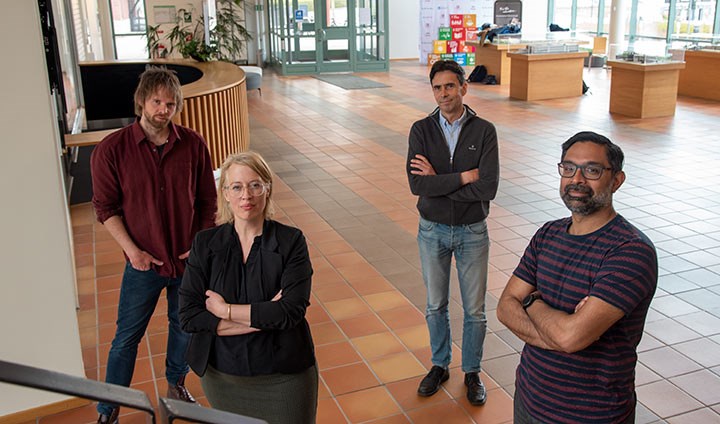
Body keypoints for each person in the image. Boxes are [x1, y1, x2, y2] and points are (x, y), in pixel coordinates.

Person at [496, 131, 658, 423]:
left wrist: (532, 302)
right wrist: (556, 336)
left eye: (592, 170)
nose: (577, 180)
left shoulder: (631, 251)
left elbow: (571, 337)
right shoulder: (548, 233)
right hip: (529, 398)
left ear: (616, 180)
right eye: (568, 168)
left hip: (591, 415)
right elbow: (505, 306)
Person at [91, 66, 217, 423]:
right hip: (143, 263)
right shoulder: (111, 150)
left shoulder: (193, 144)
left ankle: (176, 384)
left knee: (184, 326)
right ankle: (108, 408)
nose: (164, 109)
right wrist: (133, 252)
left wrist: (201, 243)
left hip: (187, 262)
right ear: (141, 102)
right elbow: (105, 209)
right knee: (126, 338)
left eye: (171, 103)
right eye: (157, 101)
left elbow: (208, 201)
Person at [179, 152, 318, 424]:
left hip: (284, 377)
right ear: (225, 193)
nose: (247, 196)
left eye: (255, 185)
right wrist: (263, 318)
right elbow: (189, 316)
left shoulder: (291, 242)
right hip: (222, 376)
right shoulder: (205, 244)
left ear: (267, 188)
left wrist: (224, 310)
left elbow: (290, 312)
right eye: (237, 187)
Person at [407, 60, 499, 406]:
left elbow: (488, 186)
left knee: (475, 309)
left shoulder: (484, 130)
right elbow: (418, 184)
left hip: (472, 230)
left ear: (464, 87)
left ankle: (472, 371)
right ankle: (439, 364)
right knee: (435, 304)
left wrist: (438, 182)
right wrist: (463, 177)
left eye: (449, 86)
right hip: (431, 230)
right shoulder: (421, 129)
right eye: (437, 87)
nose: (444, 93)